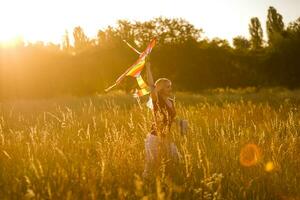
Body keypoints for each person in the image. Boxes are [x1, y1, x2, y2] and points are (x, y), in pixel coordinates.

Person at [142, 61, 181, 181]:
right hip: (154, 137)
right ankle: (145, 184)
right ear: (161, 88)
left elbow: (170, 118)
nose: (170, 88)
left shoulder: (171, 101)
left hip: (166, 137)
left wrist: (179, 122)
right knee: (151, 165)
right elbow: (151, 85)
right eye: (167, 86)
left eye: (170, 85)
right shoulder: (156, 100)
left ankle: (168, 179)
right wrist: (148, 68)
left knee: (177, 159)